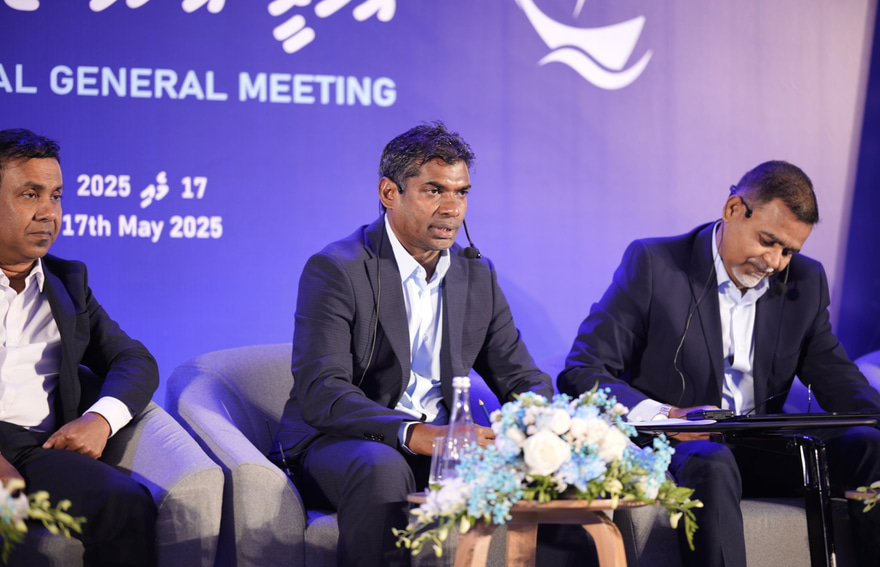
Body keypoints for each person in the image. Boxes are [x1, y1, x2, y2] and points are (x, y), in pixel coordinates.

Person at [558, 160, 880, 567]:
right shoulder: (656, 263)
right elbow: (583, 370)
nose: (776, 262)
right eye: (768, 241)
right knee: (713, 462)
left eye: (789, 251)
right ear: (733, 209)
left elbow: (836, 376)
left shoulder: (805, 280)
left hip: (762, 445)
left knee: (871, 446)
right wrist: (667, 416)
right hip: (681, 446)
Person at [272, 122, 554, 566]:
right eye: (434, 191)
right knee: (383, 468)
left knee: (554, 469)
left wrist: (535, 427)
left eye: (461, 193)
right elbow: (322, 391)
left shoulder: (476, 274)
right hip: (345, 442)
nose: (452, 208)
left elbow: (521, 376)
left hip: (445, 444)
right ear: (389, 192)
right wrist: (417, 434)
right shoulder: (338, 269)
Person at [0, 129, 159, 566]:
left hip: (37, 450)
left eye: (56, 196)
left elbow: (132, 358)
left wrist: (99, 420)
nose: (48, 212)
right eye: (30, 195)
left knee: (124, 504)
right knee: (6, 519)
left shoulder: (68, 283)